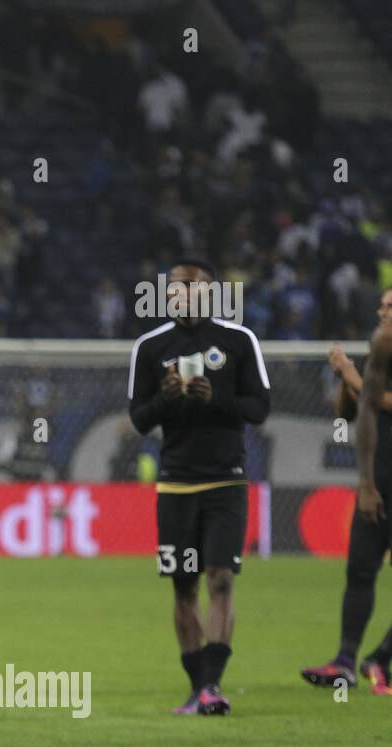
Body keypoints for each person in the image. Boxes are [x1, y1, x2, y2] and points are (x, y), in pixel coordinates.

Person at [127, 257, 270, 716]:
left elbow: (260, 407)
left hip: (226, 481)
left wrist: (218, 398)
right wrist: (165, 398)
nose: (183, 295)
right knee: (184, 587)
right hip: (175, 486)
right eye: (176, 289)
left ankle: (211, 685)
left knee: (221, 578)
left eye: (193, 288)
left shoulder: (238, 340)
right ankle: (197, 688)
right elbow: (138, 419)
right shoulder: (150, 347)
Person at [300, 294, 392, 695]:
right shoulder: (381, 352)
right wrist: (345, 380)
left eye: (390, 307)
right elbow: (352, 414)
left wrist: (351, 374)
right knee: (359, 570)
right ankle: (345, 662)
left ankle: (382, 657)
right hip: (380, 481)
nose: (381, 312)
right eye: (381, 306)